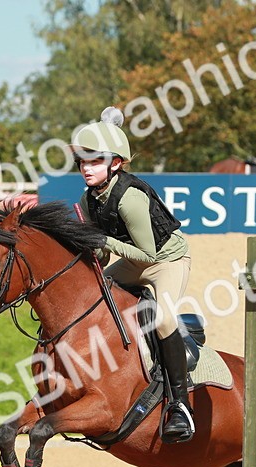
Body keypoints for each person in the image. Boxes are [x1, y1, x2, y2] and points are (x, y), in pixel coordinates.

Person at [73, 107, 195, 444]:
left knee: (165, 318)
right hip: (135, 260)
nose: (86, 168)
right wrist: (92, 247)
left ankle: (180, 405)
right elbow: (103, 253)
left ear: (115, 163)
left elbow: (148, 255)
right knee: (95, 298)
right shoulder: (90, 198)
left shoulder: (130, 198)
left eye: (95, 161)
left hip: (166, 261)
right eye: (83, 162)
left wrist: (104, 240)